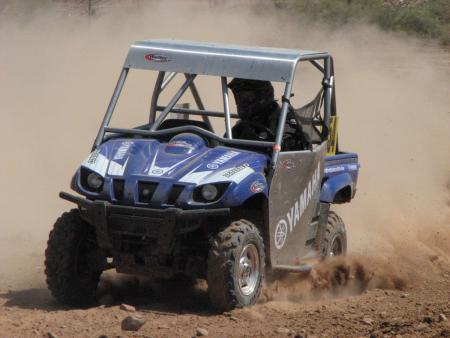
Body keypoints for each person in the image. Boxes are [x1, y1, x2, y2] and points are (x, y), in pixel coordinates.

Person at [228, 78, 304, 150]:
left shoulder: (283, 120)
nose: (243, 101)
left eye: (248, 97)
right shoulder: (243, 125)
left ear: (263, 95)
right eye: (240, 97)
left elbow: (290, 148)